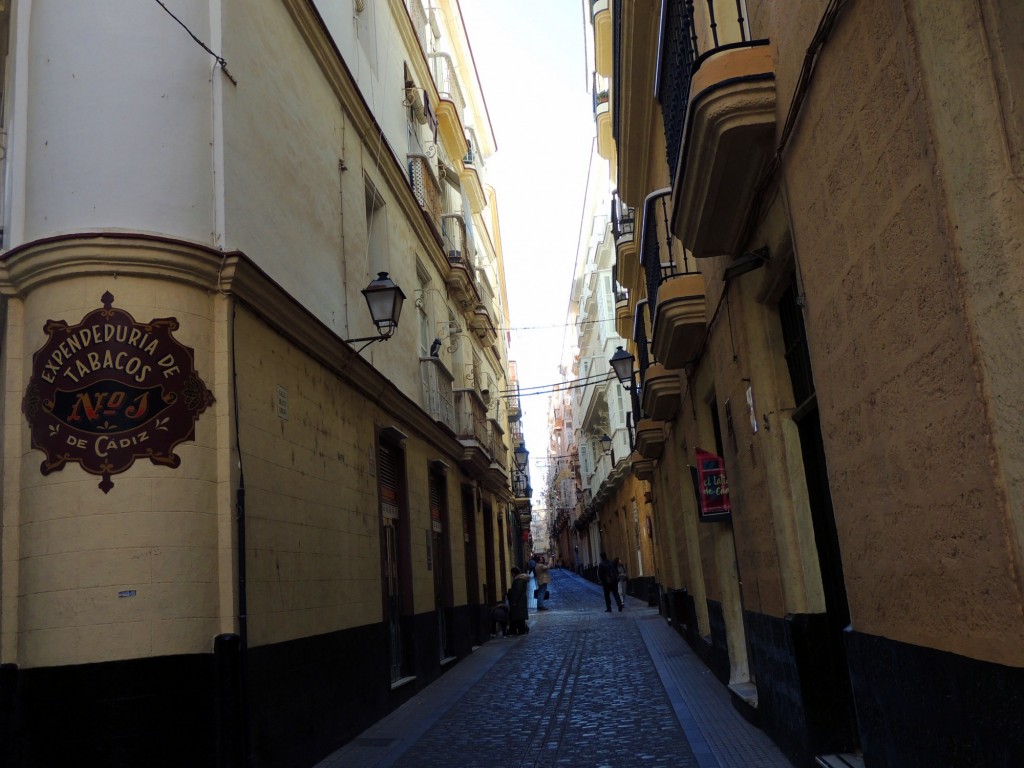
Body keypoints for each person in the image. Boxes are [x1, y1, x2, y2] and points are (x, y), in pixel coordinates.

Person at [507, 566, 531, 635]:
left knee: (518, 617)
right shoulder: (521, 579)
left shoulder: (519, 580)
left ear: (514, 573)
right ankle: (521, 630)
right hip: (521, 600)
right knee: (520, 617)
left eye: (511, 573)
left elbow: (517, 591)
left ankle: (521, 631)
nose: (511, 575)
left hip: (519, 601)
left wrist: (514, 601)